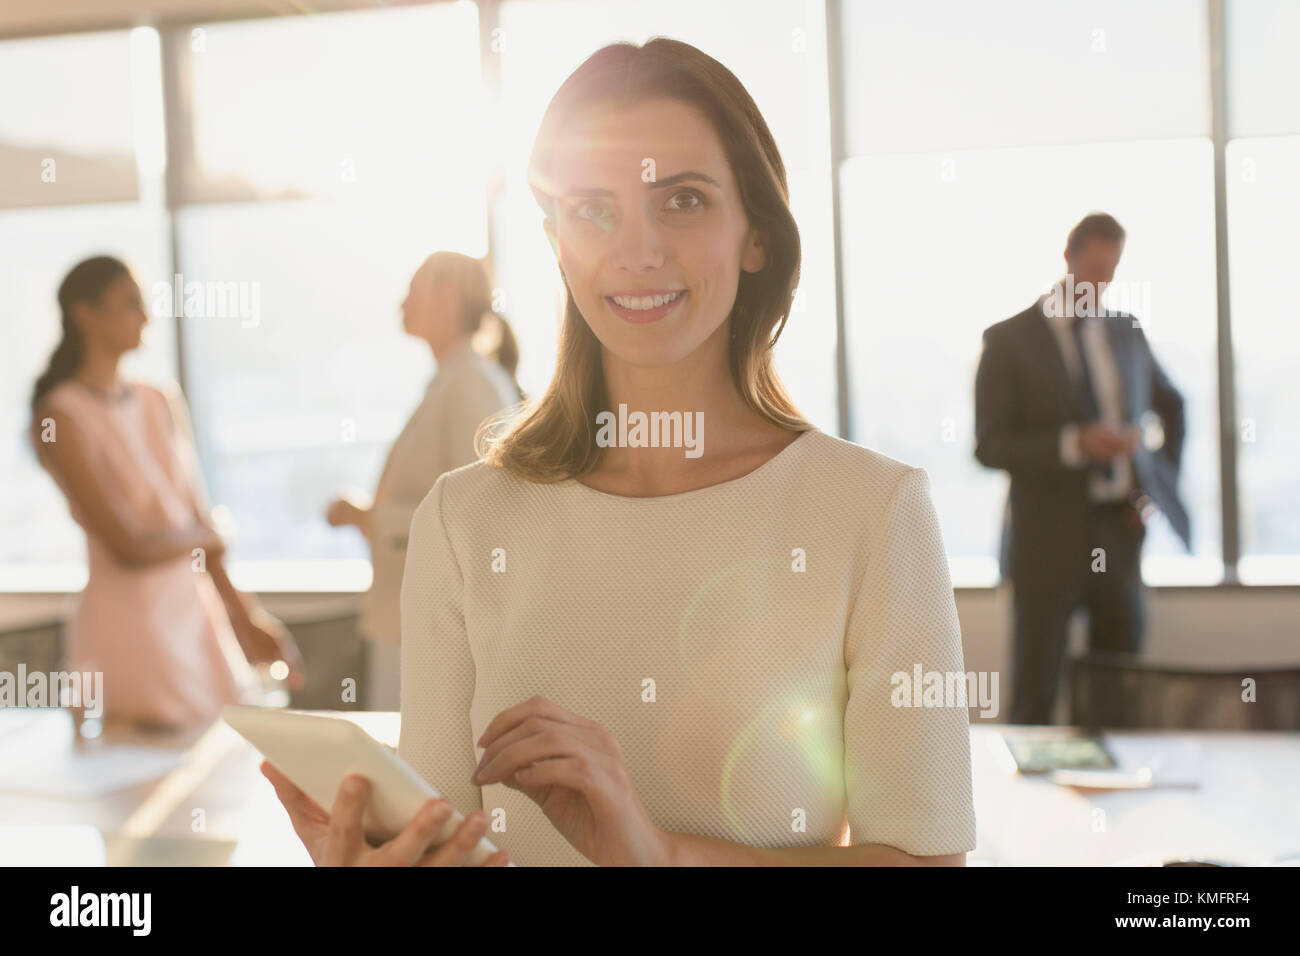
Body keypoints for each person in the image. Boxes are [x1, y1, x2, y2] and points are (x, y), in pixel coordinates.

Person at [264, 38, 976, 867]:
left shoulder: (872, 513)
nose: (636, 251)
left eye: (683, 200)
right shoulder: (464, 523)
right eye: (593, 209)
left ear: (755, 232)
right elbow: (448, 848)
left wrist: (662, 856)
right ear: (556, 239)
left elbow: (926, 861)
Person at [30, 255, 305, 730]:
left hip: (194, 619)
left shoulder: (158, 400)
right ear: (85, 313)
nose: (146, 316)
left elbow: (196, 519)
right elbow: (128, 545)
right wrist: (203, 534)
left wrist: (247, 617)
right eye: (130, 303)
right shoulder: (61, 414)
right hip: (129, 629)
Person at [974, 212, 1190, 726]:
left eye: (1111, 272)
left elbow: (1174, 407)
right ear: (1068, 259)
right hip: (1045, 540)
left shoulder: (1125, 331)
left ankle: (1110, 802)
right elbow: (989, 446)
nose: (1101, 282)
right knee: (1037, 692)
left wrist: (1151, 489)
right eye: (1093, 268)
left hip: (1117, 533)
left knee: (1118, 689)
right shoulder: (1008, 340)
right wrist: (1074, 444)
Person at [325, 252, 524, 710]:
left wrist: (372, 519)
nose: (400, 303)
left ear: (447, 295)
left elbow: (482, 514)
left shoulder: (470, 385)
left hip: (438, 626)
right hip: (420, 617)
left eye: (412, 289)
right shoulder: (452, 382)